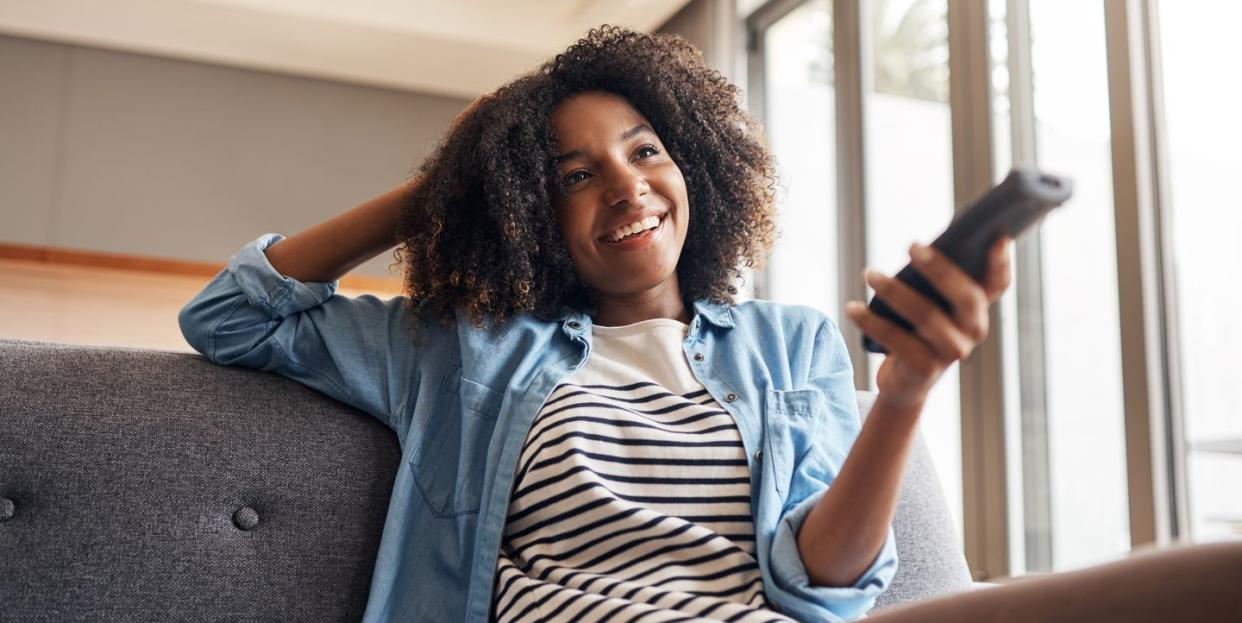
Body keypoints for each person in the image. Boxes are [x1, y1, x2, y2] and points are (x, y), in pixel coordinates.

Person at [179, 25, 1240, 623]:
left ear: (693, 168)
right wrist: (439, 187)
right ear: (527, 213)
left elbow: (819, 577)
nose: (628, 188)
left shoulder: (796, 346)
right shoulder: (459, 343)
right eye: (572, 175)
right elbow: (230, 316)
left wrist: (906, 390)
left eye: (646, 150)